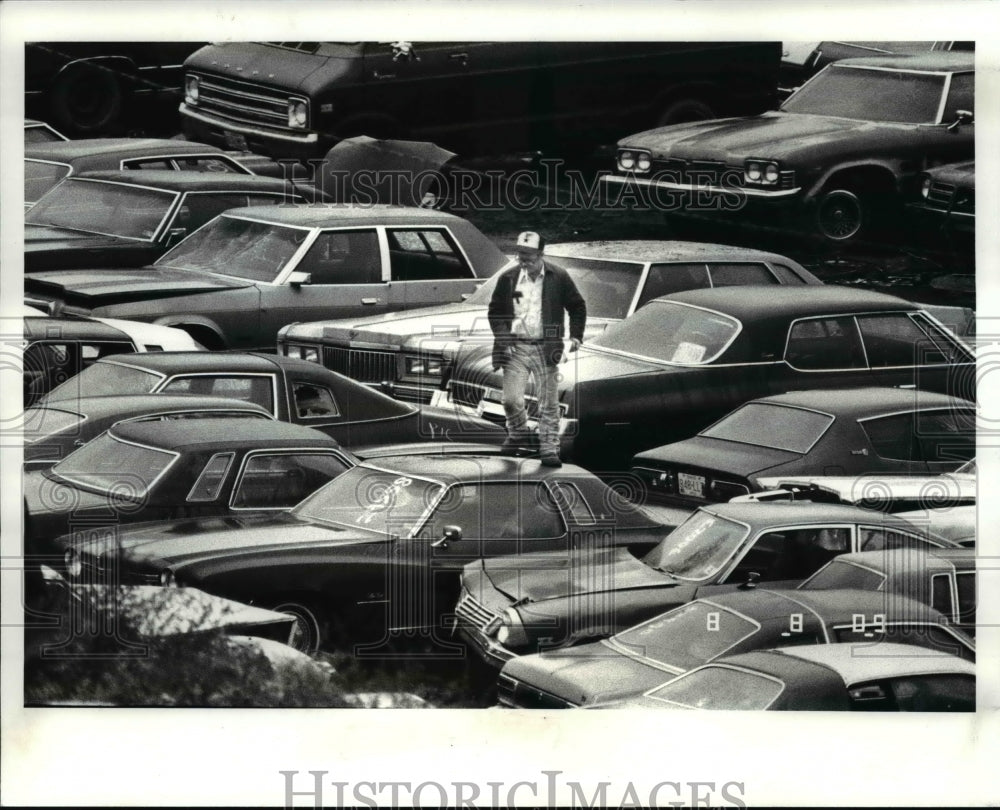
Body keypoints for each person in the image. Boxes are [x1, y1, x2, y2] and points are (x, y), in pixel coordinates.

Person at [488, 231, 586, 467]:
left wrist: (575, 337)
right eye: (521, 255)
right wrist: (503, 338)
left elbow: (577, 306)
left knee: (548, 404)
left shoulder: (558, 276)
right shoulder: (509, 278)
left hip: (546, 347)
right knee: (511, 400)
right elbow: (495, 312)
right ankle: (518, 431)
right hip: (516, 347)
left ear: (541, 254)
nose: (524, 260)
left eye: (529, 256)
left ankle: (549, 449)